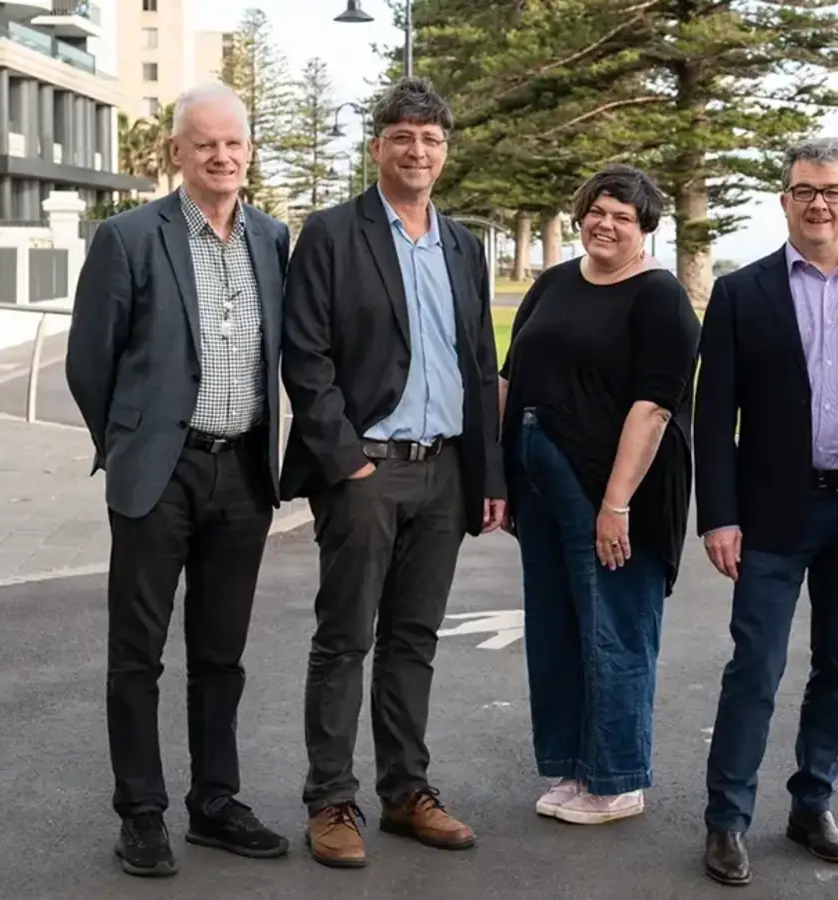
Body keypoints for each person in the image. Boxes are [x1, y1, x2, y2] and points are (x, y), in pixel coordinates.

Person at [278, 76, 506, 869]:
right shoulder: (334, 234)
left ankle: (406, 791)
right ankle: (331, 799)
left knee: (413, 639)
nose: (417, 151)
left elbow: (480, 363)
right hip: (365, 471)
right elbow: (304, 357)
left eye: (432, 139)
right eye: (403, 137)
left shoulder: (463, 246)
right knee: (345, 639)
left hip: (444, 471)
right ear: (379, 147)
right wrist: (346, 463)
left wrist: (490, 473)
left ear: (446, 152)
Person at [65, 82, 292, 878]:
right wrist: (127, 443)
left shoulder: (272, 238)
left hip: (244, 474)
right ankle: (142, 813)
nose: (221, 156)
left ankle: (215, 804)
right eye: (205, 144)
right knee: (138, 656)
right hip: (159, 475)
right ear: (177, 154)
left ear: (249, 150)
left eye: (234, 143)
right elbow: (88, 362)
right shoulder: (128, 237)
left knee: (221, 655)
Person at [693, 137, 838, 887]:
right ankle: (727, 819)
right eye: (804, 190)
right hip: (768, 516)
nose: (818, 203)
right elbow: (713, 416)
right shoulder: (741, 292)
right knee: (755, 668)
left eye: (831, 191)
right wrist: (718, 515)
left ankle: (811, 804)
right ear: (785, 200)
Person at [498, 165, 701, 826]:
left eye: (622, 215)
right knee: (557, 631)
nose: (605, 223)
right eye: (597, 210)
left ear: (645, 229)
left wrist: (616, 505)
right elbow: (511, 378)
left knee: (614, 632)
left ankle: (615, 781)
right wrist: (495, 477)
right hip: (542, 490)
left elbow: (654, 408)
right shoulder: (554, 283)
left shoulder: (660, 296)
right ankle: (572, 765)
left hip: (615, 493)